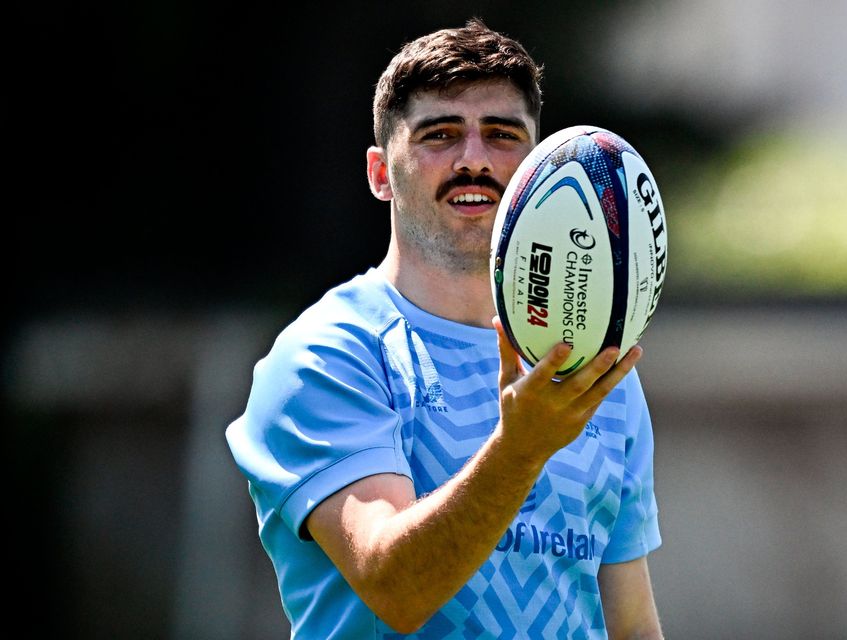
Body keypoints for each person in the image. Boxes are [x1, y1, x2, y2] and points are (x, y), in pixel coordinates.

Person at [226, 18, 664, 639]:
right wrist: (523, 447)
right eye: (440, 135)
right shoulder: (325, 356)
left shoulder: (592, 365)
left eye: (503, 135)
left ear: (537, 164)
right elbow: (397, 588)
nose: (475, 159)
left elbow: (631, 623)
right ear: (381, 173)